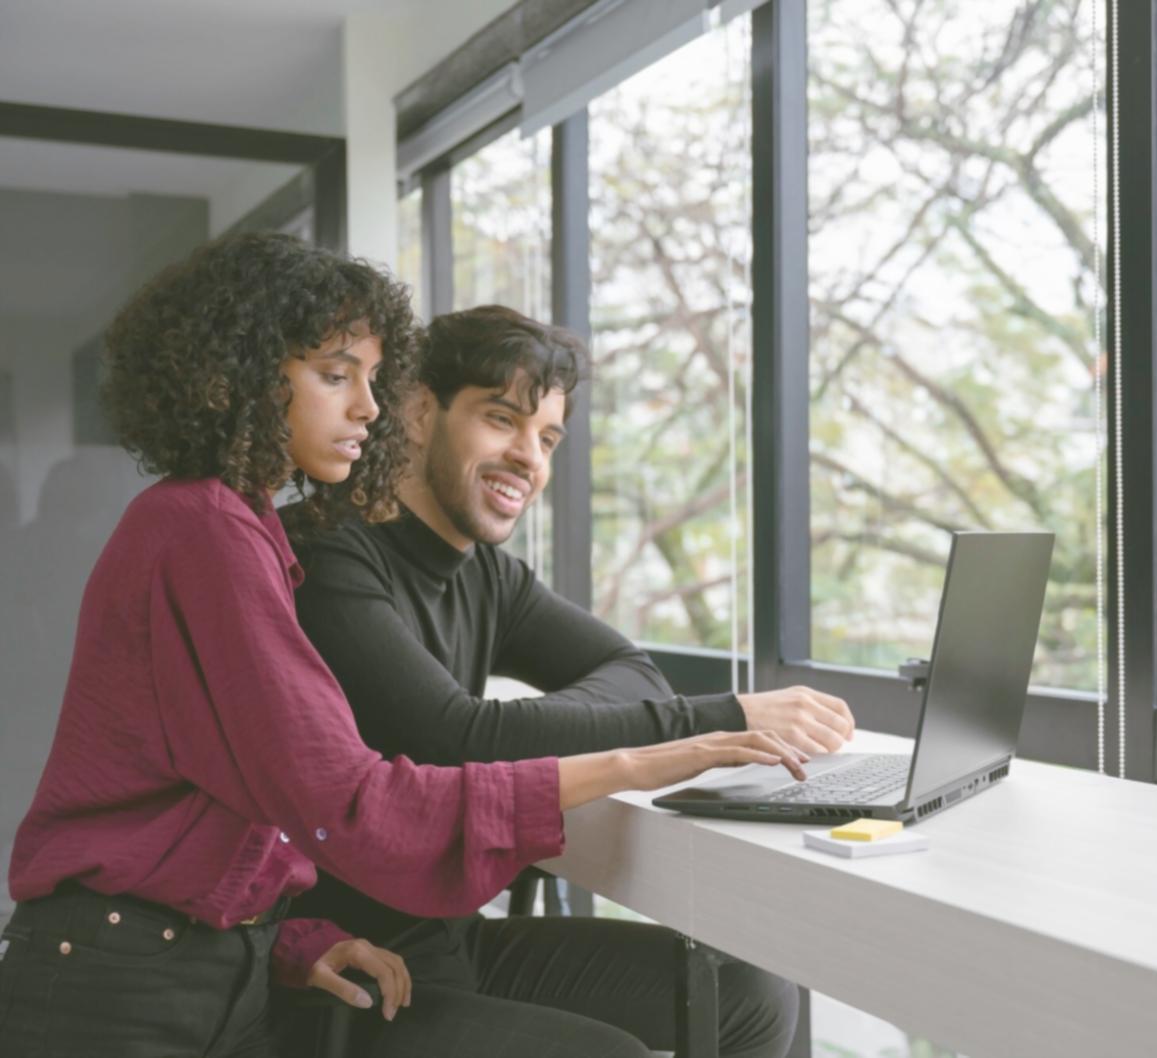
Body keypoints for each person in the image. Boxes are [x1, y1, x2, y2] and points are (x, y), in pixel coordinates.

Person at [0, 234, 806, 1058]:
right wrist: (644, 754)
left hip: (209, 963)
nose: (367, 408)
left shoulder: (232, 527)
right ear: (240, 373)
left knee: (745, 994)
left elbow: (239, 801)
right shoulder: (212, 533)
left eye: (371, 380)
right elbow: (353, 800)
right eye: (335, 373)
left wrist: (291, 942)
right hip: (120, 990)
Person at [288, 304, 854, 1057]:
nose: (530, 457)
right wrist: (723, 718)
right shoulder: (330, 553)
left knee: (749, 995)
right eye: (501, 420)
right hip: (340, 963)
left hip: (448, 940)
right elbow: (452, 736)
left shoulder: (489, 574)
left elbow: (632, 672)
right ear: (421, 412)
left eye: (547, 436)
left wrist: (525, 732)